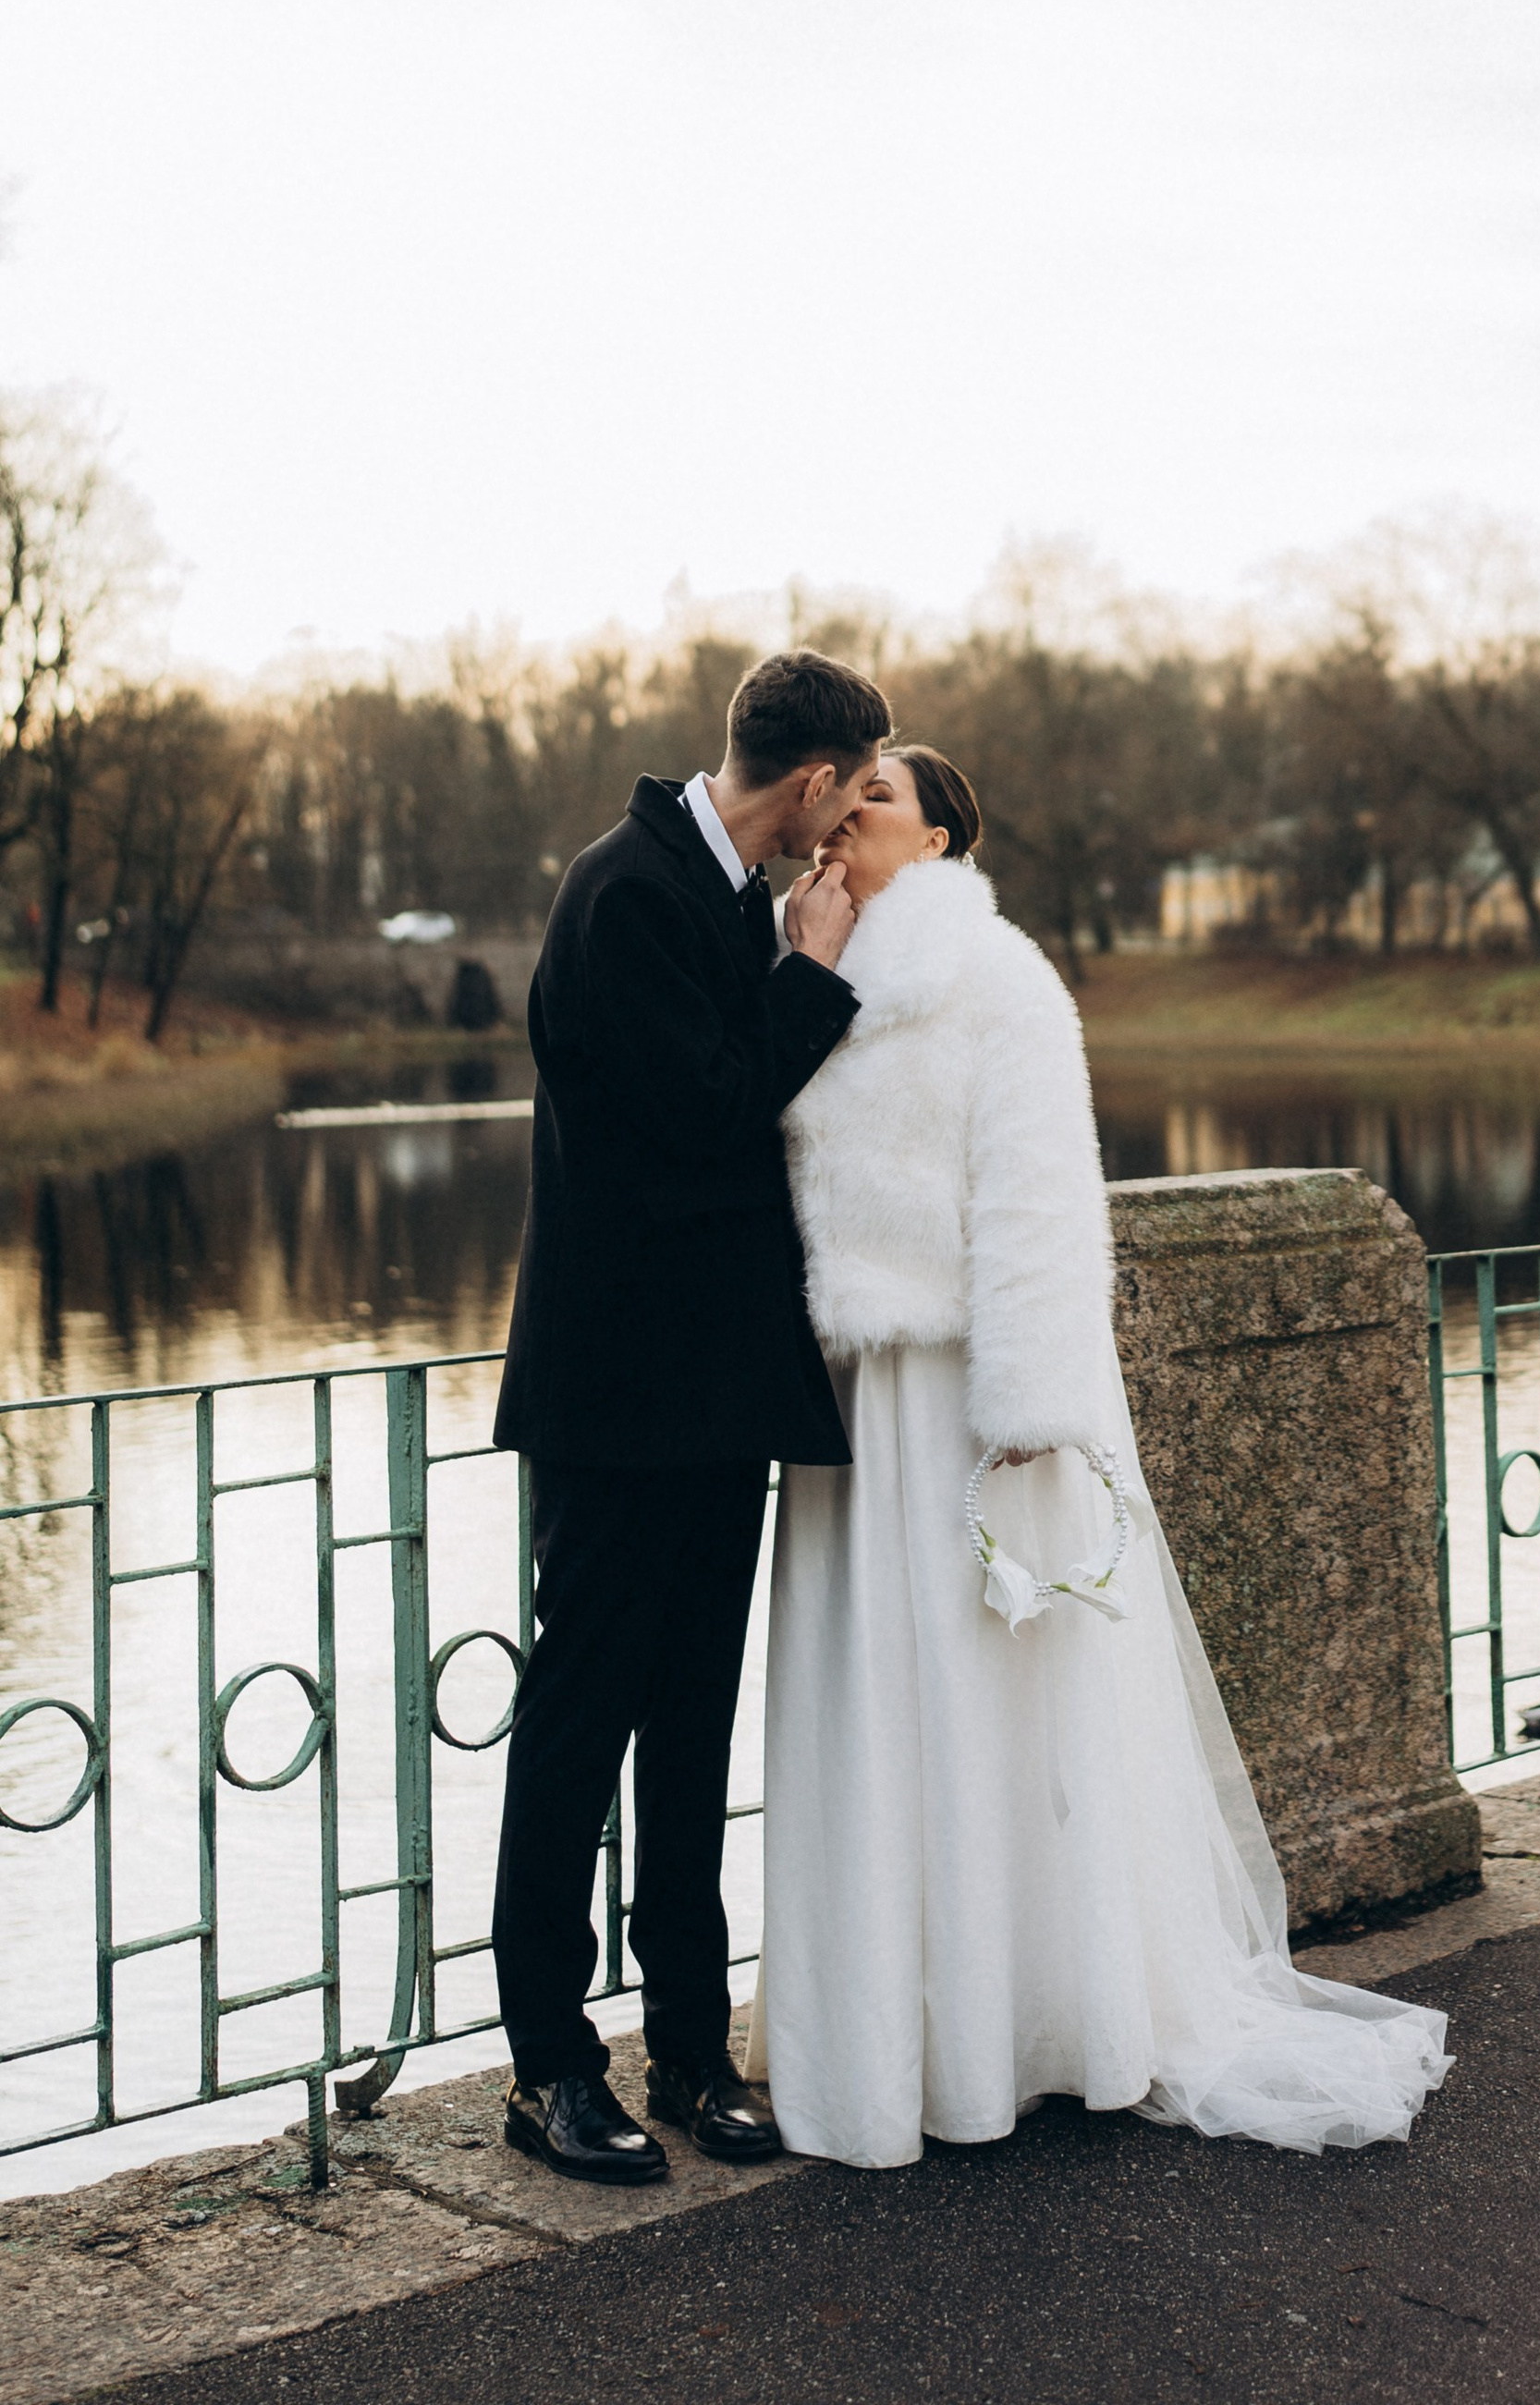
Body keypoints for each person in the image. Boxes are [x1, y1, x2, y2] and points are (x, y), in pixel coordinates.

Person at [746, 746, 1450, 2165]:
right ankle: (890, 2033)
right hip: (845, 1413)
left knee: (985, 1702)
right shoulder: (806, 971)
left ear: (940, 836)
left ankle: (1038, 2025)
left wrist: (1027, 1417)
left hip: (959, 1400)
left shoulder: (997, 978)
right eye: (841, 795)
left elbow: (1044, 1207)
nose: (843, 813)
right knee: (875, 1706)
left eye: (875, 798)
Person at [489, 648, 891, 2184]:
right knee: (579, 1727)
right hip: (614, 1403)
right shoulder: (628, 892)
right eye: (851, 792)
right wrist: (814, 973)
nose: (847, 821)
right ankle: (547, 2072)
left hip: (710, 1398)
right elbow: (713, 1116)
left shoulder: (720, 889)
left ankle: (688, 2051)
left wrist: (788, 952)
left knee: (691, 1733)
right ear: (807, 782)